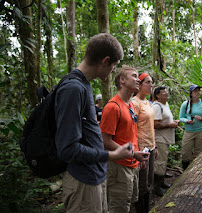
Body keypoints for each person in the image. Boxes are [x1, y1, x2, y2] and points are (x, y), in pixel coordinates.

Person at [54, 33, 134, 213]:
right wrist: (112, 155)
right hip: (82, 182)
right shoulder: (73, 89)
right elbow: (68, 149)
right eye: (114, 65)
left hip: (93, 177)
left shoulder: (84, 86)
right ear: (105, 61)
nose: (114, 70)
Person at [100, 65, 150, 213]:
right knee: (118, 207)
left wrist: (137, 157)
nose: (138, 80)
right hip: (118, 166)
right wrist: (133, 154)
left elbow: (130, 135)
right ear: (122, 80)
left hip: (132, 164)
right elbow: (105, 141)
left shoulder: (130, 106)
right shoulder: (112, 107)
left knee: (130, 202)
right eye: (134, 76)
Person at [131, 73, 157, 212]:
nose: (151, 85)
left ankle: (147, 208)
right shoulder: (135, 103)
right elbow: (133, 129)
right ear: (139, 85)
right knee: (142, 184)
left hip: (151, 147)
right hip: (142, 149)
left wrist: (155, 146)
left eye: (151, 82)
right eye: (148, 82)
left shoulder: (148, 102)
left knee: (149, 182)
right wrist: (138, 152)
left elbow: (150, 126)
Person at [152, 86, 179, 196]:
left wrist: (174, 122)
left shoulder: (165, 104)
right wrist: (170, 125)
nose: (167, 93)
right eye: (164, 92)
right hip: (160, 139)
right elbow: (155, 124)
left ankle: (161, 182)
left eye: (167, 91)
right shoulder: (157, 106)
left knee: (163, 162)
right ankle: (156, 187)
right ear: (157, 95)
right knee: (159, 163)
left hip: (166, 138)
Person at [179, 84, 202, 170]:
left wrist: (201, 118)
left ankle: (197, 171)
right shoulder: (185, 104)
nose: (197, 92)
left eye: (198, 90)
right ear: (191, 93)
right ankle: (185, 172)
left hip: (201, 132)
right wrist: (187, 121)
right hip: (188, 132)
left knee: (199, 153)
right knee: (185, 153)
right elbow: (181, 118)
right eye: (195, 91)